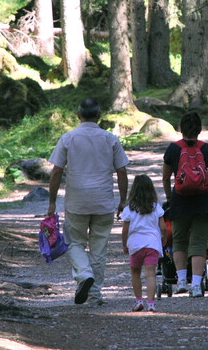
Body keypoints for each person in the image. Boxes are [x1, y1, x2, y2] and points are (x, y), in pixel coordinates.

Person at [47, 98, 129, 306]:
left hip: (77, 202)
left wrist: (51, 203)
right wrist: (123, 201)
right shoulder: (110, 139)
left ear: (78, 115)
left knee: (74, 242)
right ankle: (94, 295)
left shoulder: (68, 138)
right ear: (99, 115)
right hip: (103, 201)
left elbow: (56, 171)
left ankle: (83, 275)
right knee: (99, 248)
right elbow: (121, 171)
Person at [162, 112, 208, 298]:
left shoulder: (173, 149)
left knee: (179, 240)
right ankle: (196, 286)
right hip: (205, 203)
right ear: (199, 129)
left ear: (181, 129)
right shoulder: (207, 149)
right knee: (198, 243)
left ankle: (181, 282)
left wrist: (169, 199)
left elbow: (165, 177)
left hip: (181, 202)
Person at [121, 174, 166, 312]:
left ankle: (139, 301)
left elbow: (125, 230)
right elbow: (163, 228)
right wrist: (163, 239)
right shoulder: (156, 207)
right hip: (152, 243)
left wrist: (124, 245)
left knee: (135, 272)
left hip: (135, 244)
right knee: (150, 274)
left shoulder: (129, 209)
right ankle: (151, 304)